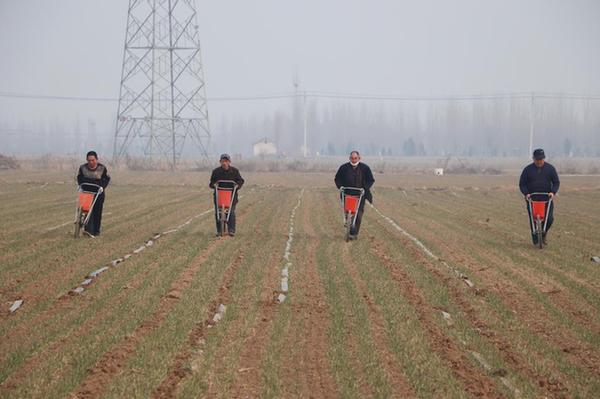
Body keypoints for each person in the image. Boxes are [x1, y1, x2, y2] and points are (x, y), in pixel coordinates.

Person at [519, 148, 560, 245]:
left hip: (547, 199)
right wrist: (526, 194)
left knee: (549, 219)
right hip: (532, 199)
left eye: (541, 159)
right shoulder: (527, 170)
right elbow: (522, 184)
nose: (539, 161)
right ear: (533, 159)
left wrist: (553, 192)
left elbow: (556, 182)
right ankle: (535, 237)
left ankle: (543, 233)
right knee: (533, 219)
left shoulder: (550, 169)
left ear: (544, 158)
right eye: (537, 159)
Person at [334, 150, 375, 240]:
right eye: (352, 158)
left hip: (360, 195)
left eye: (355, 158)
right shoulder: (343, 168)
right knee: (348, 212)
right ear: (349, 158)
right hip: (347, 194)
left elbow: (371, 180)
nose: (353, 160)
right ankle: (348, 223)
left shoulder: (365, 168)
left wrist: (365, 188)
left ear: (359, 158)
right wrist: (340, 187)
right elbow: (337, 178)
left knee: (358, 214)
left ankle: (354, 233)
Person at [76, 151, 110, 237]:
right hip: (86, 192)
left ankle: (96, 231)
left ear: (96, 159)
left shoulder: (102, 168)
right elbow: (79, 178)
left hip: (98, 192)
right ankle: (87, 230)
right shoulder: (82, 168)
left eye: (93, 160)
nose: (91, 162)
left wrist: (103, 187)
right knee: (86, 210)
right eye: (89, 160)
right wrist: (80, 185)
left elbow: (106, 179)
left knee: (97, 211)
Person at [209, 154, 244, 236]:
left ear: (229, 162)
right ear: (220, 162)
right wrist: (214, 185)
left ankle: (231, 230)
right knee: (218, 212)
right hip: (219, 195)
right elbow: (211, 183)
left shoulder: (235, 171)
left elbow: (241, 181)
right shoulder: (216, 172)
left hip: (231, 195)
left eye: (226, 161)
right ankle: (219, 230)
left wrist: (237, 185)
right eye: (223, 161)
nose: (224, 163)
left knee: (231, 212)